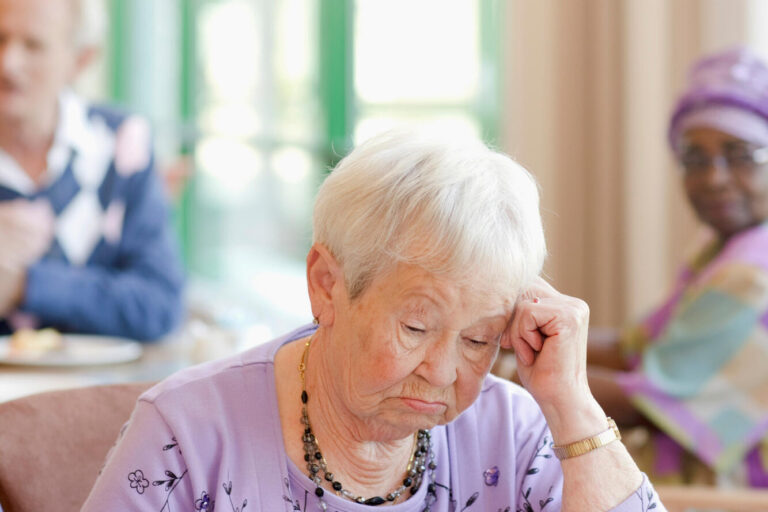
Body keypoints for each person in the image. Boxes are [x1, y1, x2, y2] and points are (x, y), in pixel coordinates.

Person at [82, 129, 665, 511]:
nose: (441, 372)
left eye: (479, 338)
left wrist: (572, 406)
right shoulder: (188, 433)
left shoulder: (513, 432)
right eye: (415, 327)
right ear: (327, 285)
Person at [586, 47, 768, 487]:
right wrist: (511, 325)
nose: (714, 177)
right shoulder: (718, 248)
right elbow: (636, 347)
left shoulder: (751, 273)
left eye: (741, 154)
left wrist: (511, 375)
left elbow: (651, 400)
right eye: (694, 159)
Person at [0, 0, 184, 341]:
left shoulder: (121, 144)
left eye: (33, 45)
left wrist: (25, 284)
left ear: (81, 59)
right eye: (0, 39)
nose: (9, 63)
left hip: (93, 389)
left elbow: (160, 305)